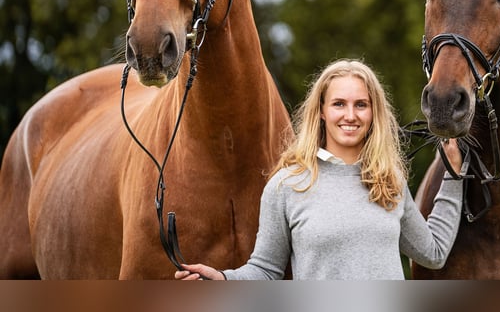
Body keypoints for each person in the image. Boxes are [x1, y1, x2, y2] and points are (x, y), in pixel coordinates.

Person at [175, 58, 463, 280]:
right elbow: (265, 269)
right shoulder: (288, 185)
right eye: (339, 104)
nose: (350, 115)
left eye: (361, 104)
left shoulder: (389, 181)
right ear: (322, 111)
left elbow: (433, 253)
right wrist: (223, 278)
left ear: (373, 112)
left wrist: (453, 175)